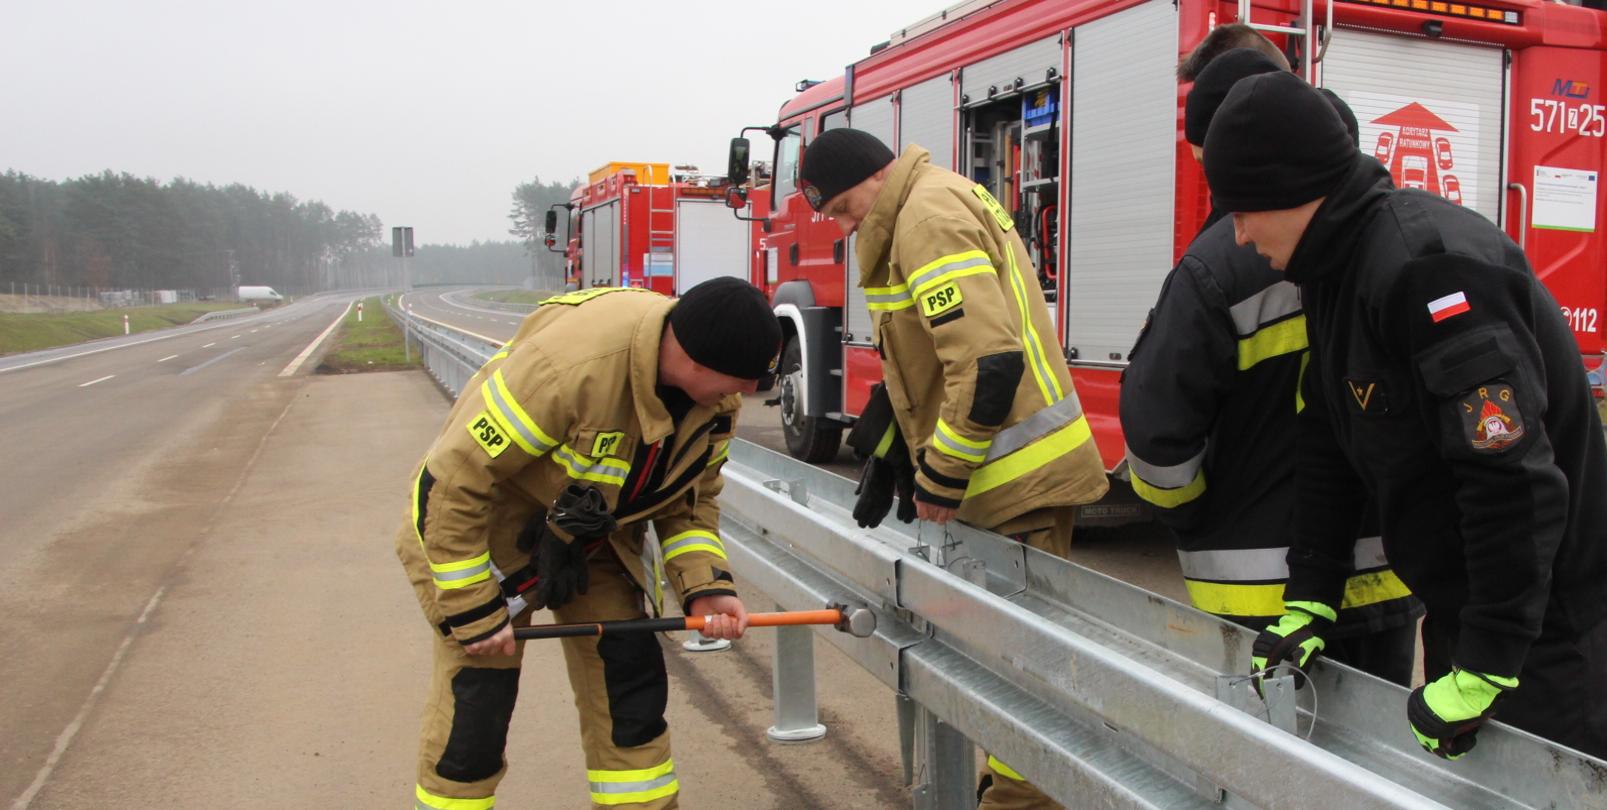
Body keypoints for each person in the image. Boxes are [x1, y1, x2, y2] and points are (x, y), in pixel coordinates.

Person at [1201, 70, 1607, 774]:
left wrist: (1492, 656)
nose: (1236, 232)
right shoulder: (1332, 272)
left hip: (1554, 627)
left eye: (1240, 209)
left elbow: (1512, 477)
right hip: (1472, 611)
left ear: (1289, 190)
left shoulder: (1429, 272)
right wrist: (1312, 595)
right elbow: (1328, 433)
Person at [799, 127, 1108, 810]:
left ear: (878, 175)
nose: (847, 227)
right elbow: (934, 350)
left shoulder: (926, 217)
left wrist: (942, 472)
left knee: (1020, 670)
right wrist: (893, 443)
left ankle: (1021, 801)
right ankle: (1011, 788)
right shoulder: (925, 205)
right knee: (1005, 658)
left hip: (1016, 479)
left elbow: (987, 363)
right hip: (1009, 475)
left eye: (847, 207)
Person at [396, 278, 782, 809]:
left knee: (628, 681)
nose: (737, 399)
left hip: (595, 536)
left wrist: (704, 586)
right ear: (693, 358)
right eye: (733, 384)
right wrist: (470, 606)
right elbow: (451, 483)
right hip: (483, 533)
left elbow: (689, 504)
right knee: (478, 703)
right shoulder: (568, 370)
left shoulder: (712, 405)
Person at [1121, 47, 1422, 686]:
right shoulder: (1386, 238)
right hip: (1390, 576)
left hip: (1262, 593)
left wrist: (1190, 514)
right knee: (1374, 770)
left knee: (1269, 774)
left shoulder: (1214, 266)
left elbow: (1157, 430)